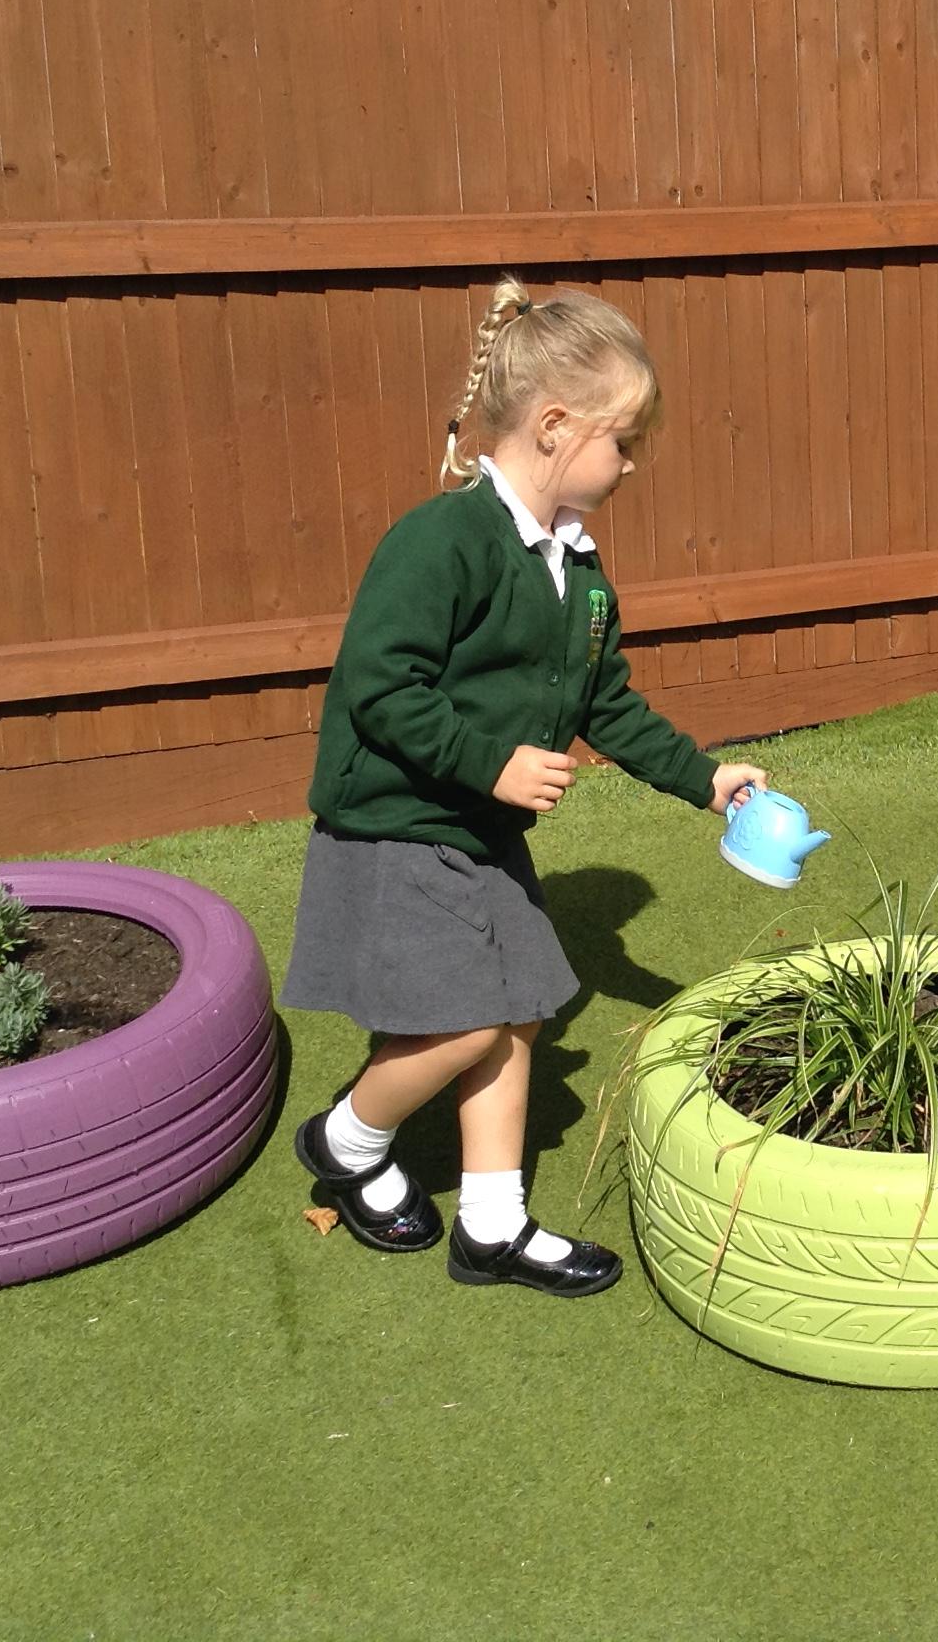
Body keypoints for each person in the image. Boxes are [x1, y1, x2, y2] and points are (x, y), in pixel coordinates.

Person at [283, 277, 765, 1296]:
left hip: (478, 835)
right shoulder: (441, 541)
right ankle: (346, 1138)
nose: (631, 462)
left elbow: (608, 705)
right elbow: (379, 687)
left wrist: (706, 778)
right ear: (554, 427)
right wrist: (491, 762)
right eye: (622, 440)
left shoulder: (578, 573)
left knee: (521, 1014)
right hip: (398, 826)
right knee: (466, 1020)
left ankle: (491, 1228)